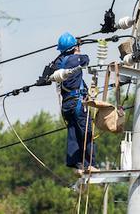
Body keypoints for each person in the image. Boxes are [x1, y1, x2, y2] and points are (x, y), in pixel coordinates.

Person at [48, 32, 98, 174]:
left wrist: (73, 47)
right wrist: (78, 49)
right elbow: (86, 59)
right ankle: (90, 164)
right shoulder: (78, 59)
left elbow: (55, 64)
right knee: (86, 132)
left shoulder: (58, 64)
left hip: (66, 105)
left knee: (73, 132)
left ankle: (78, 165)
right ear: (74, 48)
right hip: (77, 102)